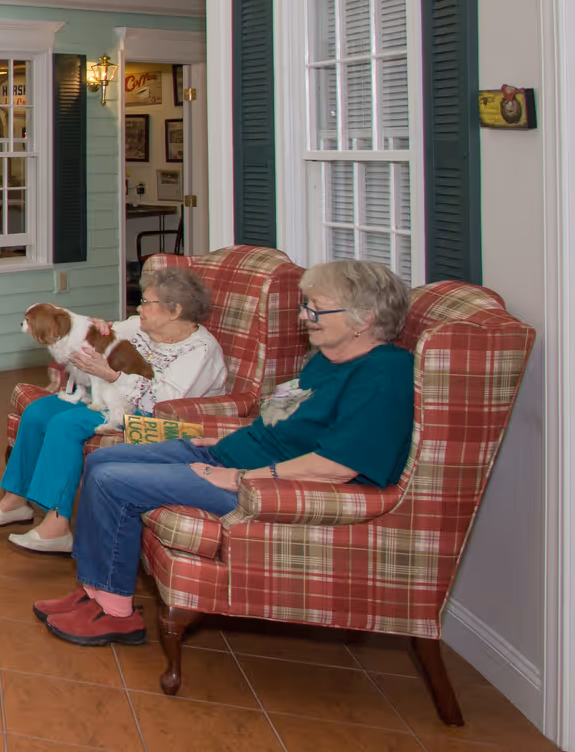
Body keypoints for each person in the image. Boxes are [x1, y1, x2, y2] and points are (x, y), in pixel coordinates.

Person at [35, 259, 414, 647]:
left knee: (114, 480)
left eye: (316, 308)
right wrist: (227, 443)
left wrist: (240, 478)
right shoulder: (326, 361)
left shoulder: (383, 375)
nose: (305, 316)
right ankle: (94, 590)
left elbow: (336, 466)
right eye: (306, 306)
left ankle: (116, 613)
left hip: (258, 485)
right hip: (231, 455)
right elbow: (283, 421)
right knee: (100, 459)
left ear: (364, 318)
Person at [0, 267, 228, 554]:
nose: (140, 308)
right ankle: (15, 500)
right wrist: (93, 326)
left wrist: (113, 376)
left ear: (175, 311)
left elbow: (166, 402)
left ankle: (57, 527)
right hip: (112, 394)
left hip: (153, 416)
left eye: (147, 303)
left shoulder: (200, 350)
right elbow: (102, 329)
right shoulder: (141, 326)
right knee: (38, 412)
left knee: (66, 425)